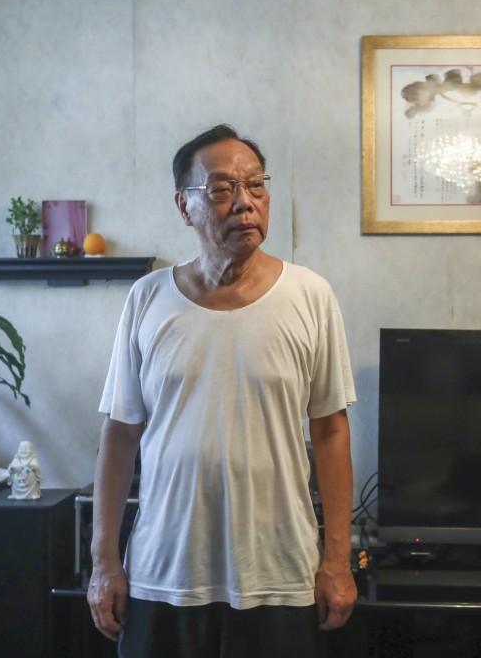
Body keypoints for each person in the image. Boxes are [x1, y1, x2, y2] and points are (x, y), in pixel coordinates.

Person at [87, 124, 357, 656]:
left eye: (255, 186)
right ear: (184, 206)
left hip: (279, 574)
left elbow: (330, 431)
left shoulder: (311, 296)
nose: (244, 203)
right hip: (164, 571)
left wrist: (337, 560)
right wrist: (104, 561)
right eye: (220, 189)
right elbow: (119, 435)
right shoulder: (148, 299)